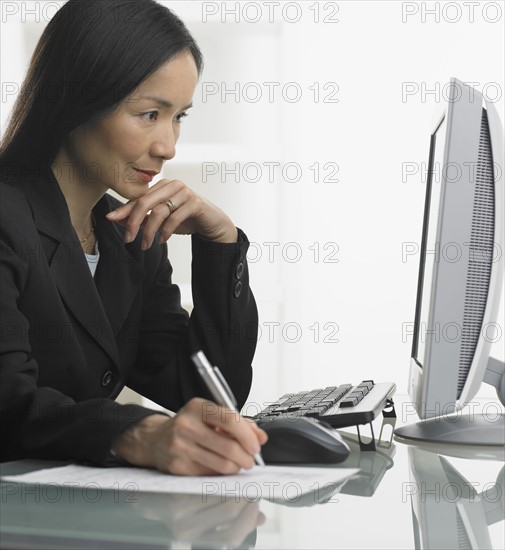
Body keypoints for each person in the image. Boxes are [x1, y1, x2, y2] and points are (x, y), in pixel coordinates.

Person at [0, 0, 267, 475]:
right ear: (76, 102)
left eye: (179, 116)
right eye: (149, 114)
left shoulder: (126, 235)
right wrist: (138, 432)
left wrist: (220, 242)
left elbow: (208, 394)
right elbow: (8, 404)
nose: (168, 146)